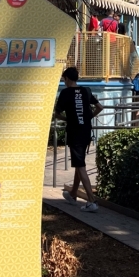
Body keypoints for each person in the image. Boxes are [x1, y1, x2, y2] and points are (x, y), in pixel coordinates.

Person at [54, 67, 103, 212]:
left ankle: (92, 201)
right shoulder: (86, 91)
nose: (64, 82)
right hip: (86, 131)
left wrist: (67, 119)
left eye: (64, 79)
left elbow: (57, 114)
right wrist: (88, 118)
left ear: (68, 78)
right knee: (79, 161)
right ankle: (73, 194)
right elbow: (100, 107)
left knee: (80, 165)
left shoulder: (65, 93)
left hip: (75, 132)